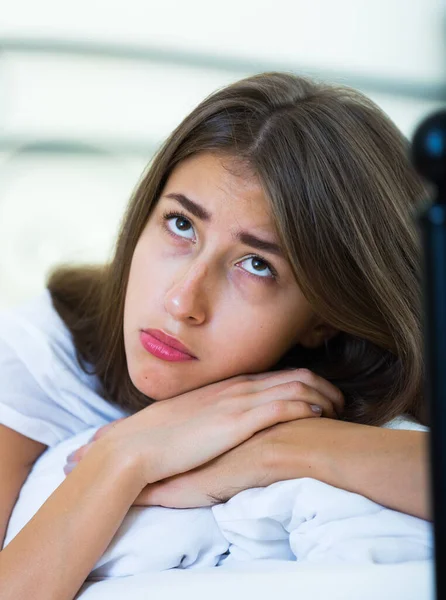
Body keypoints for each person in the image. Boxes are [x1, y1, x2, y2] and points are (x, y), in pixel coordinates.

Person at [0, 72, 429, 600]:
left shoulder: (346, 387)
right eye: (181, 225)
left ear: (325, 316)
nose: (182, 301)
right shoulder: (39, 355)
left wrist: (285, 451)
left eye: (255, 263)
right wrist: (123, 458)